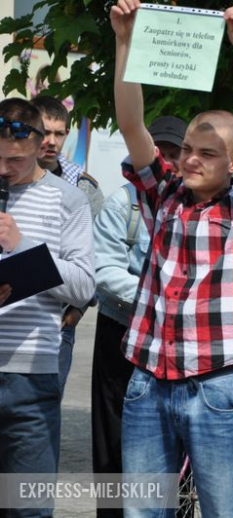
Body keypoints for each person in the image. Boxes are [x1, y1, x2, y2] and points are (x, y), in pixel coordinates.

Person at [110, 1, 233, 516]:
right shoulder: (163, 194)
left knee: (227, 509)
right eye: (186, 148)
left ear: (231, 163)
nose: (189, 159)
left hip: (216, 385)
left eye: (206, 153)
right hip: (148, 379)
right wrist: (125, 42)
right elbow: (133, 126)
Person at [0, 98, 94, 517]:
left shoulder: (67, 200)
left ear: (40, 147)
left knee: (27, 507)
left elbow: (84, 285)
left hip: (30, 378)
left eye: (15, 160)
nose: (4, 169)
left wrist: (22, 250)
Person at [90, 115, 186, 517]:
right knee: (114, 440)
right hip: (122, 332)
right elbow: (104, 269)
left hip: (177, 340)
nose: (165, 159)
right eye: (158, 150)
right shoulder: (121, 202)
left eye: (173, 152)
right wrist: (157, 300)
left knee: (176, 440)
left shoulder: (193, 203)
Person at [30, 95, 104, 396]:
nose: (51, 141)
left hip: (58, 320)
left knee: (41, 418)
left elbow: (98, 254)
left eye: (59, 133)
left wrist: (78, 311)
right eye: (45, 132)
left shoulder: (83, 188)